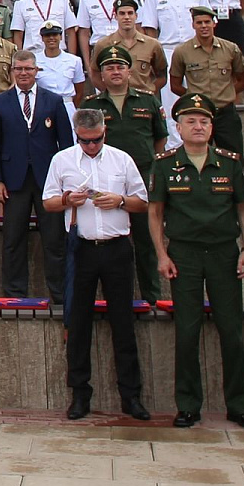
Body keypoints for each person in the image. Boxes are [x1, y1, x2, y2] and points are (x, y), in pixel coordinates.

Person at [149, 93, 244, 429]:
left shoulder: (228, 163)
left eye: (204, 121)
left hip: (225, 252)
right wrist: (162, 254)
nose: (198, 126)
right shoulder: (166, 164)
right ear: (178, 127)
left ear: (212, 127)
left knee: (232, 330)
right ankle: (188, 405)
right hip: (184, 254)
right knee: (186, 330)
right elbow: (155, 213)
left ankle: (239, 405)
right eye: (191, 121)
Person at [44, 108, 151, 421]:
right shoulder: (62, 160)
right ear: (77, 135)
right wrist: (68, 200)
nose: (91, 146)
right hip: (82, 248)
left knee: (123, 324)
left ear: (105, 132)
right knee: (77, 324)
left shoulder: (121, 159)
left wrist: (118, 201)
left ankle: (131, 396)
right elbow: (48, 202)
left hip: (117, 247)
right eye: (85, 141)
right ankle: (79, 395)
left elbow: (143, 202)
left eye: (97, 140)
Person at [0, 50, 73, 299]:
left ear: (37, 71)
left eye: (28, 69)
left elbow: (65, 145)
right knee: (13, 239)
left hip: (49, 182)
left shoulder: (54, 101)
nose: (23, 73)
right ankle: (14, 292)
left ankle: (59, 293)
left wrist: (65, 180)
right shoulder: (0, 102)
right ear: (11, 71)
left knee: (54, 240)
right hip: (13, 181)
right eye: (18, 69)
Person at [167, 5, 244, 157]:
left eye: (207, 22)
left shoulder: (230, 49)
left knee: (233, 156)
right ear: (193, 25)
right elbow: (175, 85)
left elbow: (243, 80)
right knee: (197, 155)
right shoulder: (182, 51)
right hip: (199, 114)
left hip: (226, 113)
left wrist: (227, 93)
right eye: (199, 23)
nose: (204, 26)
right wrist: (193, 97)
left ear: (214, 23)